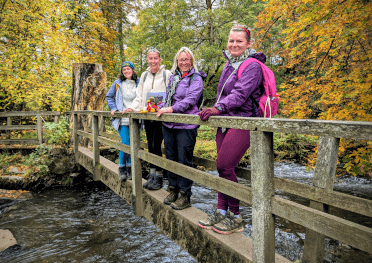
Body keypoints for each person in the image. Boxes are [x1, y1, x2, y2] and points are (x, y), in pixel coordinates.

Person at [197, 25, 265, 234]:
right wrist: (217, 109)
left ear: (248, 44)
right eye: (231, 41)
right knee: (222, 168)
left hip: (244, 121)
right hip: (226, 121)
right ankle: (221, 211)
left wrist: (217, 108)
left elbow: (240, 94)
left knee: (224, 165)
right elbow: (223, 94)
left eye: (239, 41)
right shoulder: (228, 64)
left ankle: (236, 217)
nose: (234, 45)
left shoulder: (252, 66)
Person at [157, 47, 206, 210]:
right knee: (170, 157)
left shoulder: (196, 78)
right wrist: (162, 106)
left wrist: (170, 109)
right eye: (181, 60)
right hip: (169, 124)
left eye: (186, 59)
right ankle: (173, 190)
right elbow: (168, 97)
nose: (183, 62)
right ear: (176, 62)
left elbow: (191, 100)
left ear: (191, 61)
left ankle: (185, 195)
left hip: (186, 124)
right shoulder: (173, 77)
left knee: (183, 160)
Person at [124, 48, 172, 190]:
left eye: (155, 58)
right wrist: (132, 108)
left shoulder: (166, 74)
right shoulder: (144, 76)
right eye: (150, 58)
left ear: (160, 59)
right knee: (151, 145)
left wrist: (166, 107)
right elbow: (139, 96)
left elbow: (172, 94)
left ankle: (159, 177)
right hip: (147, 115)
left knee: (157, 144)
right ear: (148, 60)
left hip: (161, 116)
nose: (153, 61)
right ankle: (152, 175)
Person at [106, 61, 139, 180]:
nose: (126, 71)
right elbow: (109, 96)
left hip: (135, 118)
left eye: (128, 69)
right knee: (125, 143)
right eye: (124, 69)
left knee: (133, 144)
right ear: (122, 72)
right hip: (122, 118)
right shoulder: (117, 83)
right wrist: (114, 108)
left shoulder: (139, 82)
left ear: (132, 70)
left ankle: (129, 169)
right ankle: (121, 169)